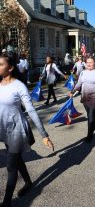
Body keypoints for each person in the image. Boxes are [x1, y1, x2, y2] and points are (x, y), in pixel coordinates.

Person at [0, 52, 54, 207]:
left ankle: (6, 203)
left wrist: (44, 134)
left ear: (10, 68)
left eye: (1, 64)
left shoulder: (19, 86)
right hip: (4, 129)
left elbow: (31, 111)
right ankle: (29, 183)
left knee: (11, 166)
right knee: (16, 159)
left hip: (17, 130)